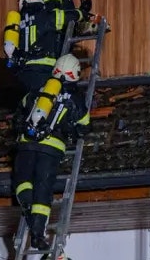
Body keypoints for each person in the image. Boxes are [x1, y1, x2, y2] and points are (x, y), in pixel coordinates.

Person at [11, 55, 91, 249]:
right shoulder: (76, 99)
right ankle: (38, 234)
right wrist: (70, 129)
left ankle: (28, 208)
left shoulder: (37, 92)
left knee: (23, 182)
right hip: (51, 148)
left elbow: (18, 115)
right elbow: (84, 128)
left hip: (26, 144)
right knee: (43, 189)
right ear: (75, 75)